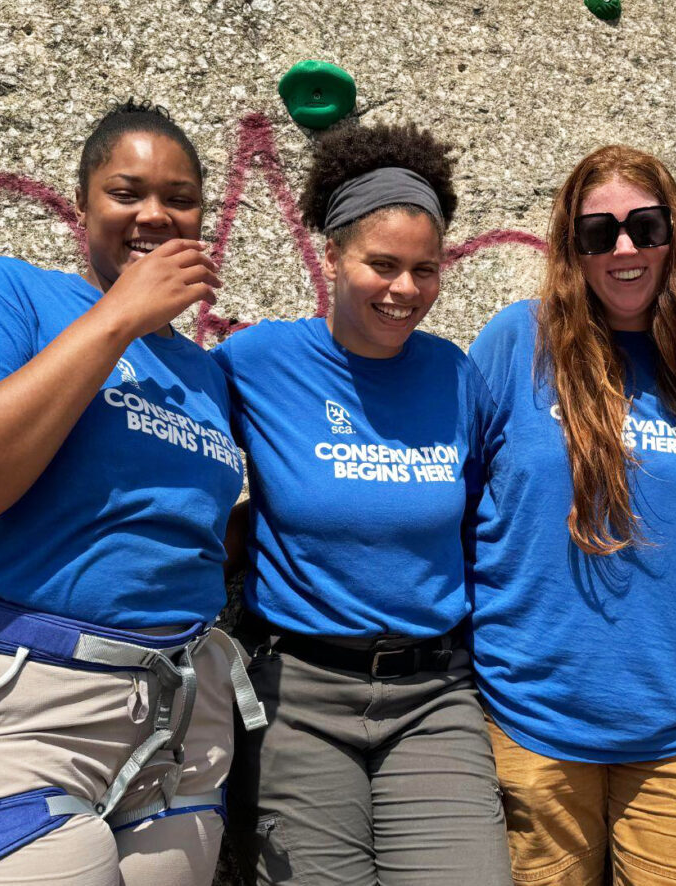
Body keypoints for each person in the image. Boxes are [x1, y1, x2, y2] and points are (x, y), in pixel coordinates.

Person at [0, 100, 263, 886]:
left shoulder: (207, 375)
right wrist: (116, 318)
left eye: (180, 197)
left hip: (178, 724)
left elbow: (179, 528)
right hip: (17, 704)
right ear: (82, 204)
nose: (155, 213)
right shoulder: (14, 294)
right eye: (127, 192)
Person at [214, 122, 511, 886]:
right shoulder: (258, 361)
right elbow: (181, 456)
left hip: (433, 695)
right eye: (381, 264)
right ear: (331, 256)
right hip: (300, 696)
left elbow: (480, 518)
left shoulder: (454, 376)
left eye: (425, 269)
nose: (404, 290)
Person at [466, 145, 676, 885]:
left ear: (673, 236)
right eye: (598, 234)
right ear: (572, 248)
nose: (624, 249)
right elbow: (450, 496)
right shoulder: (517, 342)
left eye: (644, 226)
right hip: (534, 723)